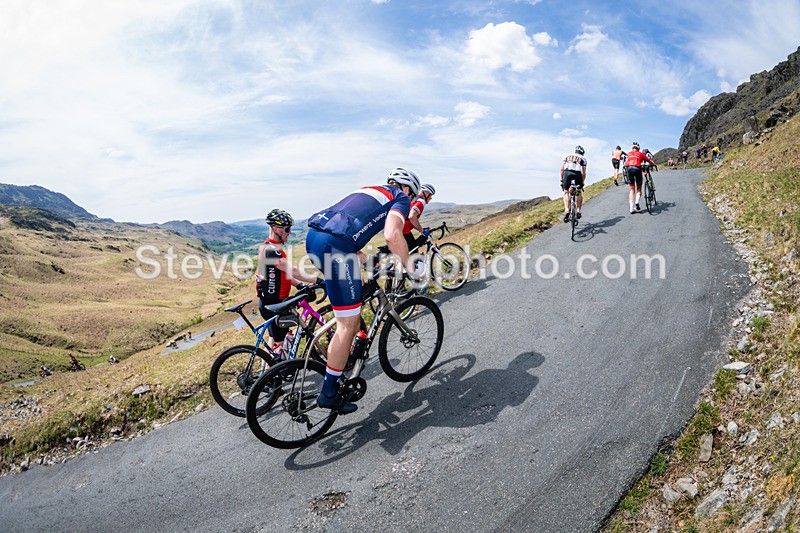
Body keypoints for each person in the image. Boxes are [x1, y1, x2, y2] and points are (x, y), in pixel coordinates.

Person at [306, 167, 419, 414]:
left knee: (351, 308)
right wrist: (409, 266)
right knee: (346, 324)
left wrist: (367, 260)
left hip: (315, 239)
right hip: (334, 249)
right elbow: (392, 235)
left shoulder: (369, 189)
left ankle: (347, 344)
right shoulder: (399, 198)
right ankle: (329, 393)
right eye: (411, 198)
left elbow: (343, 229)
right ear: (408, 190)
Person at [256, 209, 321, 357]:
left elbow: (283, 275)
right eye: (287, 229)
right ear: (275, 228)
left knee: (275, 341)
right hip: (274, 305)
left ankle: (267, 373)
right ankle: (274, 373)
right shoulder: (271, 250)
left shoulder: (271, 247)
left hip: (271, 303)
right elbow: (292, 270)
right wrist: (318, 280)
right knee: (281, 344)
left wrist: (300, 285)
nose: (289, 232)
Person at [623, 142, 657, 214]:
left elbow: (625, 163)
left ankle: (631, 209)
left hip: (629, 169)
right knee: (639, 188)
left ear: (632, 148)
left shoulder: (629, 153)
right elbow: (649, 161)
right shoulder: (641, 154)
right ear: (638, 148)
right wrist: (654, 164)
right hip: (637, 168)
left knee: (632, 190)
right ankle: (637, 202)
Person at [560, 146, 587, 222]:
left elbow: (562, 169)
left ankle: (567, 209)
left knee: (566, 192)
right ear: (582, 153)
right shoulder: (583, 159)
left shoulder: (567, 156)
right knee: (578, 193)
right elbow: (584, 173)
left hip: (567, 173)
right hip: (577, 174)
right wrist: (582, 183)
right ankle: (578, 211)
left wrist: (561, 180)